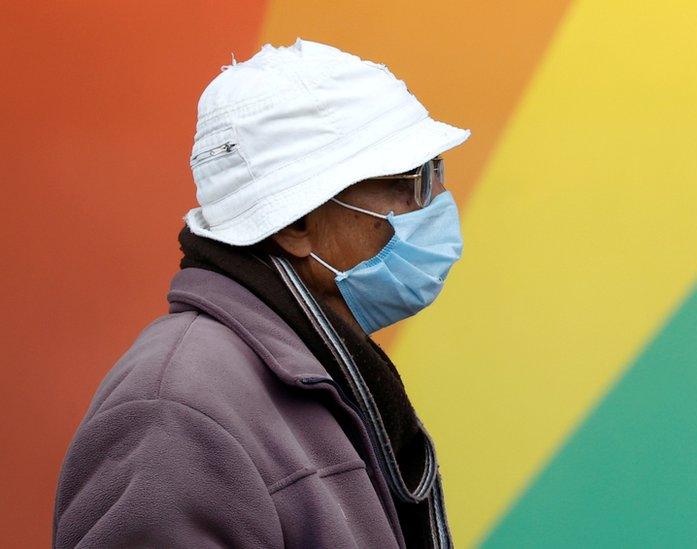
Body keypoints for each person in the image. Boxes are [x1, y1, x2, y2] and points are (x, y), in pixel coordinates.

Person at [52, 37, 470, 548]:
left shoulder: (302, 371)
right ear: (295, 223)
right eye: (412, 181)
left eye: (435, 172)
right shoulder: (174, 413)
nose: (437, 202)